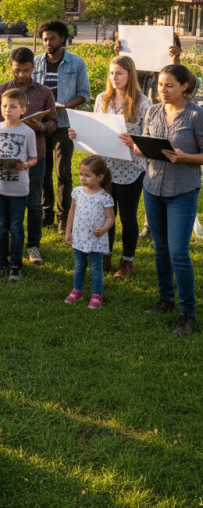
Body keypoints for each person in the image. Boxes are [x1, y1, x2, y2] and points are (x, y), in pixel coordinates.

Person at [122, 64, 203, 337]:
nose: (163, 90)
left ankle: (187, 313)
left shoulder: (196, 115)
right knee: (160, 249)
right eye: (160, 85)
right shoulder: (154, 111)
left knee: (178, 252)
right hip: (153, 187)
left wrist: (185, 157)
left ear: (184, 86)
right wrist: (134, 144)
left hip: (182, 190)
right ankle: (165, 299)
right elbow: (147, 148)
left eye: (169, 85)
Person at [67, 56, 150, 278]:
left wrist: (134, 142)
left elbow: (149, 138)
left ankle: (127, 263)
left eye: (120, 73)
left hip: (132, 170)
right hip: (106, 170)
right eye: (112, 73)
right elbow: (96, 131)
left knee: (128, 217)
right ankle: (105, 255)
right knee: (106, 215)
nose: (115, 77)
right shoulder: (103, 99)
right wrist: (78, 134)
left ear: (130, 75)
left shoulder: (143, 103)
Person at [0, 47, 58, 264]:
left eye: (26, 70)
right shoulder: (1, 91)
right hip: (4, 157)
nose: (21, 75)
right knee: (3, 201)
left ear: (33, 68)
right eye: (17, 70)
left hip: (35, 157)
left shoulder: (45, 92)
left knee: (34, 203)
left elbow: (54, 122)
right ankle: (1, 243)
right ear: (11, 67)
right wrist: (7, 127)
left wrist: (40, 126)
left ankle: (33, 246)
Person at [113, 31, 181, 241]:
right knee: (149, 176)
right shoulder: (139, 71)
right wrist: (118, 53)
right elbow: (122, 76)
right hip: (142, 126)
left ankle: (153, 225)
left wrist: (174, 60)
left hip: (166, 123)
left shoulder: (173, 74)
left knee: (158, 175)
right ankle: (149, 226)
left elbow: (181, 86)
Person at [34, 20, 90, 236]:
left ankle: (64, 217)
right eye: (45, 39)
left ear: (62, 39)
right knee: (43, 172)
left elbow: (84, 93)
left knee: (63, 173)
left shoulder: (76, 63)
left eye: (52, 39)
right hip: (40, 125)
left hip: (64, 125)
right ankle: (46, 214)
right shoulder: (36, 62)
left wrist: (64, 106)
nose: (48, 43)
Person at [0, 88, 37, 282]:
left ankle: (16, 264)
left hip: (19, 189)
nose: (8, 110)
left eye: (13, 107)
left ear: (23, 110)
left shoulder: (28, 132)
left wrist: (25, 164)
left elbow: (34, 158)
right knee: (0, 227)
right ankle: (0, 264)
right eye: (5, 106)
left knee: (16, 227)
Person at [63, 156, 115, 309]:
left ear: (100, 177)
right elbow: (72, 212)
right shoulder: (77, 192)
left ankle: (97, 295)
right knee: (79, 265)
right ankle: (77, 291)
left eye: (87, 175)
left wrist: (104, 229)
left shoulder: (105, 197)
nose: (83, 178)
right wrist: (68, 232)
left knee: (96, 268)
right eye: (81, 174)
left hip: (95, 239)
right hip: (79, 236)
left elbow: (111, 217)